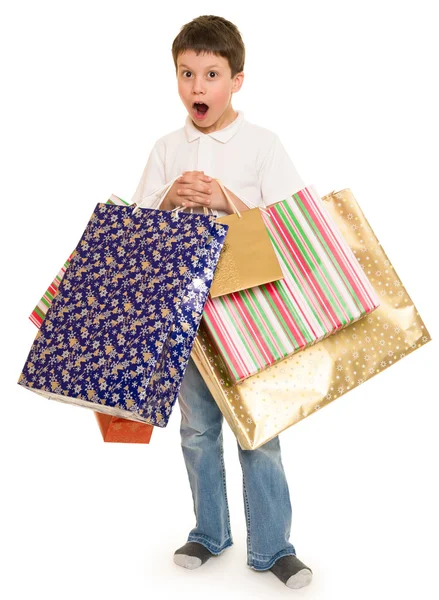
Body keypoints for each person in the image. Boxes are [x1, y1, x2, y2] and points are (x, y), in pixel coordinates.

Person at [131, 15, 312, 590]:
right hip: (186, 312)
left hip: (250, 312)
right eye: (187, 74)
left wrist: (228, 198)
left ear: (237, 80)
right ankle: (209, 532)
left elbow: (296, 225)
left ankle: (273, 546)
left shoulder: (263, 146)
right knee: (197, 428)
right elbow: (133, 227)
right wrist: (167, 197)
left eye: (211, 74)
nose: (197, 87)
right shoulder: (166, 148)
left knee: (259, 428)